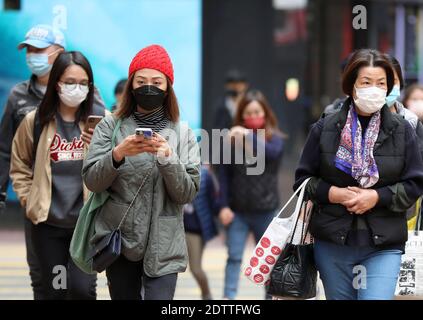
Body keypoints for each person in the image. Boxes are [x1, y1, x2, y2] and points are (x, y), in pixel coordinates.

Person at [294, 49, 423, 300]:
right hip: (333, 242)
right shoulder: (325, 127)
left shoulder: (402, 130)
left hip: (383, 243)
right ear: (351, 85)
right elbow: (303, 182)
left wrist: (376, 198)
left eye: (381, 83)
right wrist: (335, 194)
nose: (374, 89)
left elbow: (415, 183)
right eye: (366, 82)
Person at [82, 44, 201, 300]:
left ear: (168, 87)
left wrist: (168, 158)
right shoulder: (109, 126)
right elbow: (92, 180)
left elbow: (187, 193)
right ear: (131, 85)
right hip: (120, 241)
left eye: (157, 81)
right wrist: (118, 154)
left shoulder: (183, 134)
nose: (149, 87)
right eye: (141, 80)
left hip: (165, 245)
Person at [0, 24, 105, 300]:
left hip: (83, 226)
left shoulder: (99, 120)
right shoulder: (35, 120)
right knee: (55, 290)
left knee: (83, 290)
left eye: (84, 83)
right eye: (70, 82)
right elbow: (17, 161)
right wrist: (27, 198)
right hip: (48, 226)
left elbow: (113, 163)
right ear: (57, 82)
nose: (76, 88)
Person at [217, 90, 284, 300]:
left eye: (257, 111)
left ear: (265, 113)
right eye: (248, 113)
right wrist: (223, 206)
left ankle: (270, 297)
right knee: (234, 257)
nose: (253, 116)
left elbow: (270, 154)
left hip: (266, 210)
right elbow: (224, 177)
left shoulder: (275, 140)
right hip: (238, 212)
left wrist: (247, 135)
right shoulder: (231, 141)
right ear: (242, 116)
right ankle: (229, 298)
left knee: (267, 261)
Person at [183, 165, 219, 300]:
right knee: (168, 268)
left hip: (195, 229)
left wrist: (223, 211)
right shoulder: (173, 167)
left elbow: (213, 201)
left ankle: (207, 295)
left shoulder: (205, 175)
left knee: (196, 269)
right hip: (175, 227)